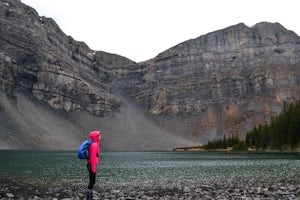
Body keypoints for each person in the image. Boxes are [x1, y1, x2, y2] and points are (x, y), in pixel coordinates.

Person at [86, 130, 101, 200]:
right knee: (92, 181)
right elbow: (92, 158)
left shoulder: (94, 144)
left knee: (92, 181)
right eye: (99, 135)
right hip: (92, 165)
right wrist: (93, 169)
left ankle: (89, 196)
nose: (100, 137)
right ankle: (89, 197)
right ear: (96, 137)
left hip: (90, 165)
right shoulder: (94, 145)